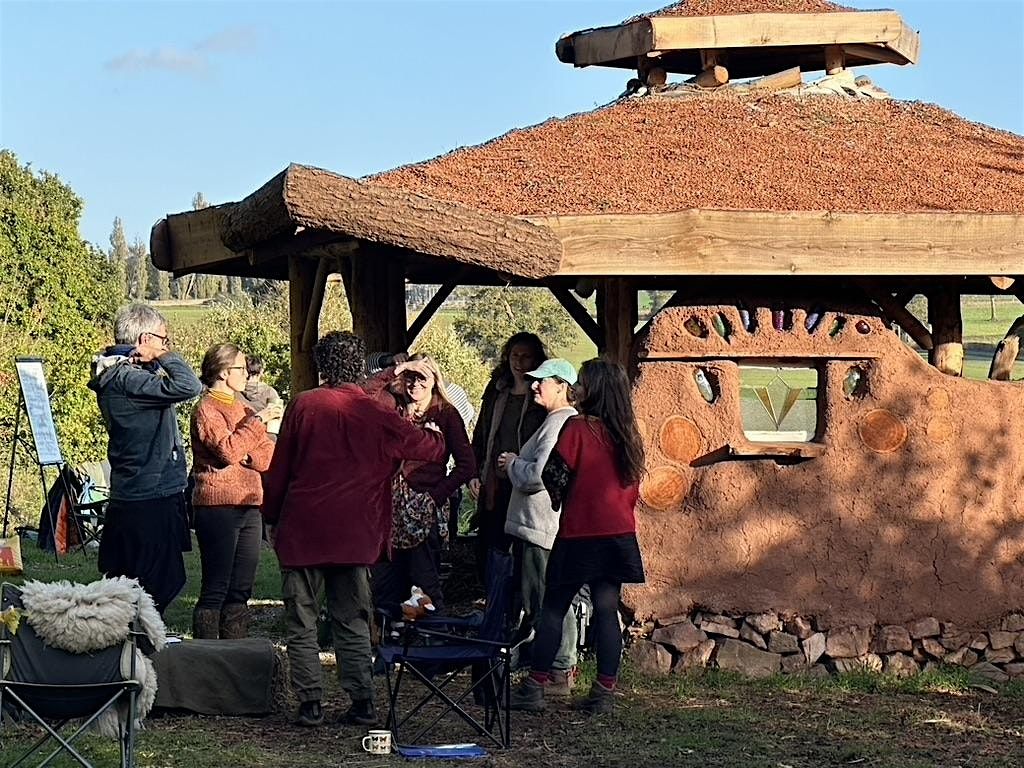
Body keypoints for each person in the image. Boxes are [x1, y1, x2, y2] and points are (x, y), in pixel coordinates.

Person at [261, 331, 446, 729]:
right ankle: (361, 699)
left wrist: (271, 517)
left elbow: (280, 470)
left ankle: (309, 701)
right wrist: (433, 430)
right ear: (360, 366)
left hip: (304, 528)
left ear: (321, 365)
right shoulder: (376, 414)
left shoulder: (304, 405)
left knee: (303, 620)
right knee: (353, 619)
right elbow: (428, 449)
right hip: (355, 532)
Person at [510, 359, 646, 715]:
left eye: (582, 384)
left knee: (553, 608)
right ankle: (604, 691)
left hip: (579, 532)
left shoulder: (577, 429)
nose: (577, 390)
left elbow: (554, 475)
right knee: (606, 611)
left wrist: (564, 499)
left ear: (595, 390)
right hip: (618, 534)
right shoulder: (629, 434)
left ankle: (537, 685)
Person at [89, 302, 203, 616]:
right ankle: (138, 643)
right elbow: (188, 385)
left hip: (138, 491)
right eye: (163, 340)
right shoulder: (127, 379)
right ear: (144, 339)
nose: (166, 346)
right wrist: (163, 357)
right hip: (149, 494)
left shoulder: (122, 373)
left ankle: (131, 644)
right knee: (159, 581)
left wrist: (153, 357)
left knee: (133, 582)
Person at [365, 355, 476, 616]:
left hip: (425, 507)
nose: (415, 384)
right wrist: (397, 369)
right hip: (389, 508)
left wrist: (435, 496)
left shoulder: (446, 413)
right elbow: (364, 394)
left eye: (421, 377)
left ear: (435, 380)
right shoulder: (392, 407)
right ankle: (390, 635)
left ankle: (432, 638)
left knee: (424, 580)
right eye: (410, 377)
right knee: (386, 578)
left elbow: (466, 466)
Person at [497, 358, 579, 698]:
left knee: (545, 597)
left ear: (562, 386)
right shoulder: (557, 422)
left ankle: (558, 669)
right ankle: (551, 665)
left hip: (540, 526)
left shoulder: (559, 424)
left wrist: (513, 463)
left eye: (542, 381)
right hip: (537, 525)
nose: (534, 386)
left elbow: (537, 475)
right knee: (546, 595)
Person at [189, 343, 282, 639]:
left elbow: (267, 457)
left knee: (242, 588)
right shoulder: (206, 409)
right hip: (217, 506)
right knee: (216, 586)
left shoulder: (243, 407)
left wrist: (244, 450)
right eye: (242, 369)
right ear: (225, 372)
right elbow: (227, 451)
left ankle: (233, 654)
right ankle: (205, 656)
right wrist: (256, 425)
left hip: (251, 503)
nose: (247, 374)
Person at [469, 333, 548, 578]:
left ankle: (516, 600)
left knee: (522, 544)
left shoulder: (541, 396)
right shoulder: (497, 390)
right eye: (515, 355)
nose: (519, 362)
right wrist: (474, 472)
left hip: (525, 479)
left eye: (526, 357)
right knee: (492, 538)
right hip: (495, 478)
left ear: (536, 361)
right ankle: (493, 594)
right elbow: (481, 434)